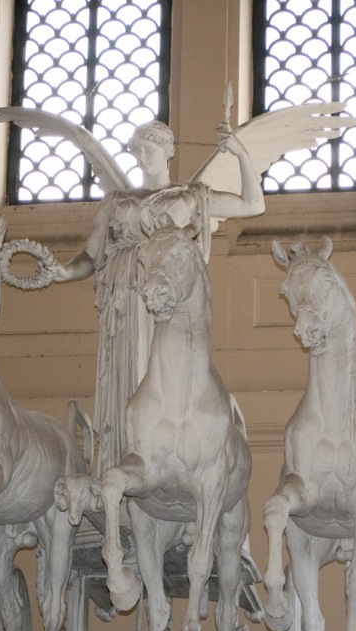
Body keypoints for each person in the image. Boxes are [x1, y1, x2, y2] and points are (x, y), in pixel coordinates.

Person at [48, 119, 265, 474]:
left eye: (149, 149)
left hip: (167, 303)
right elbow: (90, 256)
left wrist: (239, 151)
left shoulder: (192, 197)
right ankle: (126, 461)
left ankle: (170, 460)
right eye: (137, 150)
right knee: (127, 377)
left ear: (169, 150)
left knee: (165, 369)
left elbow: (253, 204)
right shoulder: (116, 202)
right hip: (123, 302)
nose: (141, 156)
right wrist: (63, 271)